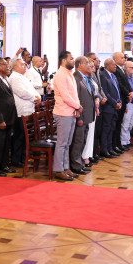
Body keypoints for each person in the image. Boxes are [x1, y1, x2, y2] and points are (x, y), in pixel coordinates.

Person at [52, 51, 82, 181]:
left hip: (70, 112)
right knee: (62, 143)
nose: (73, 61)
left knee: (67, 143)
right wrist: (78, 106)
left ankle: (66, 168)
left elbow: (74, 94)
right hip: (63, 112)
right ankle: (58, 169)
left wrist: (76, 107)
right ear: (64, 60)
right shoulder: (60, 75)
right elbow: (65, 96)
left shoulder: (69, 73)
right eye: (71, 58)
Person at [9, 58, 40, 168]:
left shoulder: (23, 77)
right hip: (20, 111)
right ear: (15, 66)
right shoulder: (14, 78)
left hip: (28, 111)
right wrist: (34, 98)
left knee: (25, 137)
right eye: (22, 64)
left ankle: (23, 158)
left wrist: (38, 96)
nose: (25, 66)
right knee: (19, 136)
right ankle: (16, 160)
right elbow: (22, 92)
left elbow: (32, 89)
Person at [70, 56, 99, 176]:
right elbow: (76, 99)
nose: (88, 65)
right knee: (78, 141)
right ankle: (75, 166)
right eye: (86, 63)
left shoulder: (85, 77)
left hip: (88, 115)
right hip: (81, 116)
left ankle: (81, 163)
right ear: (80, 65)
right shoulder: (76, 78)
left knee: (83, 141)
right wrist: (80, 117)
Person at [99, 58, 123, 159]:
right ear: (107, 65)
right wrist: (115, 103)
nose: (115, 66)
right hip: (108, 108)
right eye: (113, 64)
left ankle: (110, 148)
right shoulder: (103, 76)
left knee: (112, 129)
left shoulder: (113, 76)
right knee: (106, 129)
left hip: (115, 107)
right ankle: (104, 150)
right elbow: (106, 93)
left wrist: (120, 102)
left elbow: (117, 91)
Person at [112, 52, 132, 154]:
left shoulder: (122, 69)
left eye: (124, 57)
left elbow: (126, 83)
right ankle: (115, 145)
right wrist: (128, 93)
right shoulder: (115, 70)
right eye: (122, 58)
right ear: (115, 60)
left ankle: (119, 144)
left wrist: (131, 91)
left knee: (120, 123)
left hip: (124, 99)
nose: (124, 59)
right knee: (117, 124)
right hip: (119, 99)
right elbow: (119, 84)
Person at [120, 61, 133, 150]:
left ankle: (127, 141)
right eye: (131, 67)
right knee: (125, 124)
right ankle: (123, 142)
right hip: (128, 103)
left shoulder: (131, 77)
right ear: (125, 68)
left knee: (130, 124)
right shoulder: (124, 78)